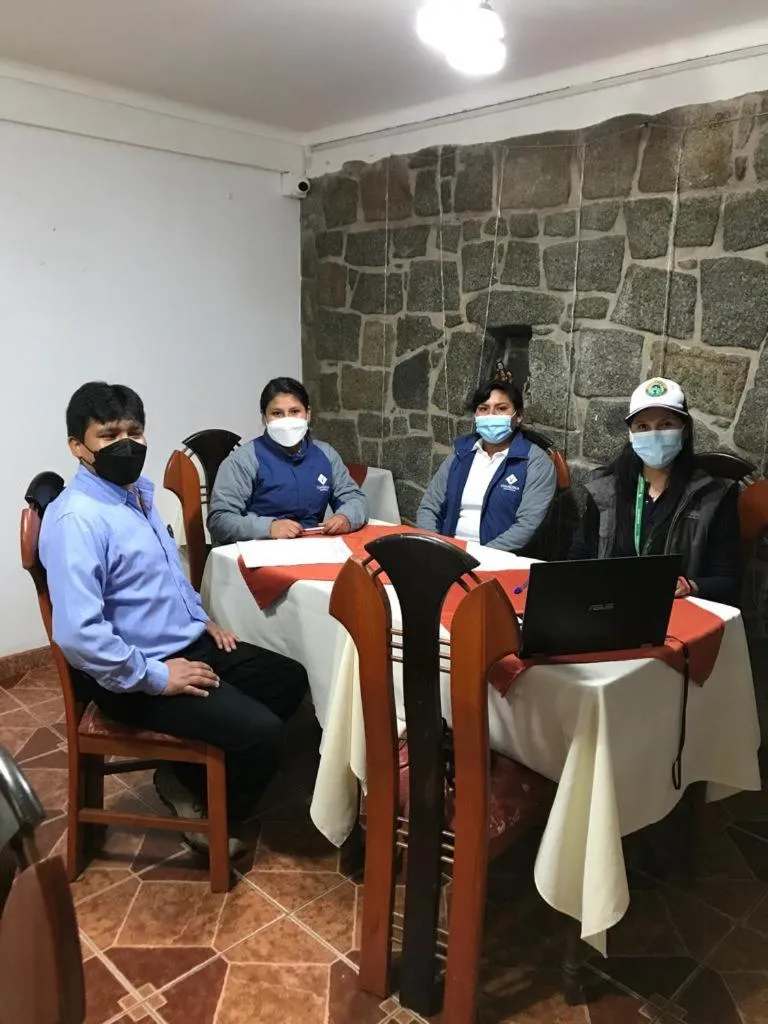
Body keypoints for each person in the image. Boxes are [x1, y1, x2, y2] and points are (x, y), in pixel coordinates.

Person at [39, 382, 308, 857]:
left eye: (135, 431)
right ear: (78, 447)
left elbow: (161, 579)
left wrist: (200, 618)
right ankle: (203, 804)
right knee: (263, 734)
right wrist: (157, 676)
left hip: (189, 644)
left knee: (289, 679)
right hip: (135, 674)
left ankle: (186, 774)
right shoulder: (76, 519)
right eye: (108, 435)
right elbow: (78, 634)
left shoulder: (135, 495)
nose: (126, 443)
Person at [569, 377, 741, 604]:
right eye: (643, 426)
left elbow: (727, 579)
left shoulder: (714, 495)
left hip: (675, 612)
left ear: (684, 430)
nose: (654, 434)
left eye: (666, 424)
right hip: (609, 607)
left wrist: (690, 586)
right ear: (631, 434)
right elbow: (577, 558)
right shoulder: (605, 487)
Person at [208, 376, 368, 543]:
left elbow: (355, 498)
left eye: (294, 411)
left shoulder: (325, 454)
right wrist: (268, 528)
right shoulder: (243, 460)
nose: (286, 420)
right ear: (264, 418)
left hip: (314, 546)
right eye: (277, 413)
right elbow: (220, 519)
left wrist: (346, 517)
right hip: (260, 550)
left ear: (308, 414)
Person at [416, 367, 557, 551]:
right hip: (448, 553)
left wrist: (480, 558)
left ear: (519, 416)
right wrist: (433, 548)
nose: (491, 415)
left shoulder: (535, 462)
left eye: (501, 408)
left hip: (498, 560)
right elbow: (429, 507)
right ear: (476, 415)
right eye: (483, 409)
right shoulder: (461, 454)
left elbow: (527, 525)